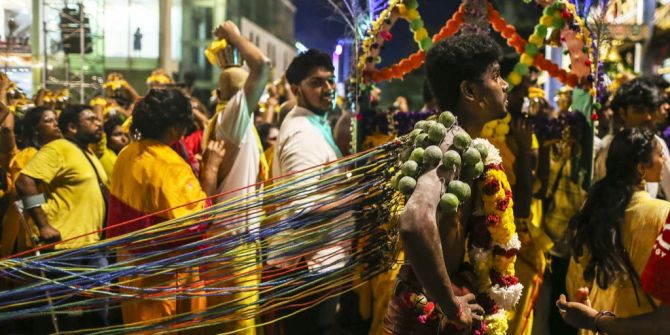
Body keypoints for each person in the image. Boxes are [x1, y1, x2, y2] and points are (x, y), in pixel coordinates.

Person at [383, 33, 510, 334]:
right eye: (495, 76)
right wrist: (451, 306)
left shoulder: (461, 141)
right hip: (426, 316)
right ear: (469, 91)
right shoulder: (449, 145)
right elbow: (414, 221)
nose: (504, 84)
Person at [106, 88, 225, 331]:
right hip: (165, 281)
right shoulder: (167, 164)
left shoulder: (126, 154)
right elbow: (200, 219)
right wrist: (211, 170)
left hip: (131, 272)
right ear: (176, 126)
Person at [267, 48, 354, 334]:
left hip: (318, 264)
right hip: (306, 267)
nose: (328, 89)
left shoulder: (313, 124)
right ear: (296, 89)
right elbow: (302, 212)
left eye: (329, 81)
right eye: (317, 83)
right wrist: (360, 198)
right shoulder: (302, 134)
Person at [199, 20, 270, 335]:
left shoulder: (226, 121)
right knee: (238, 327)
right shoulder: (232, 120)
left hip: (228, 240)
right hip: (231, 244)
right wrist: (233, 36)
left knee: (226, 324)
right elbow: (262, 64)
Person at [564, 128, 668, 335]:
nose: (665, 159)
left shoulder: (593, 207)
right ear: (641, 167)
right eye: (660, 155)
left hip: (596, 321)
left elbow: (575, 283)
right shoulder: (664, 213)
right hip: (643, 325)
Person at [15, 104, 109, 331]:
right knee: (62, 318)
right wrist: (43, 225)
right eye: (90, 119)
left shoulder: (87, 152)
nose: (98, 123)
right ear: (72, 127)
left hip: (93, 246)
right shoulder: (58, 148)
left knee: (97, 318)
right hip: (66, 247)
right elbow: (24, 181)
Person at [1, 106, 62, 258]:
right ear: (35, 130)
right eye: (49, 121)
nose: (56, 124)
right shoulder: (29, 155)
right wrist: (48, 199)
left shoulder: (60, 153)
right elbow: (19, 193)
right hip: (26, 233)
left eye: (56, 120)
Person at [594, 78, 670, 199]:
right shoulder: (608, 146)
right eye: (639, 110)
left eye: (651, 110)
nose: (648, 117)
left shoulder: (657, 145)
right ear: (622, 112)